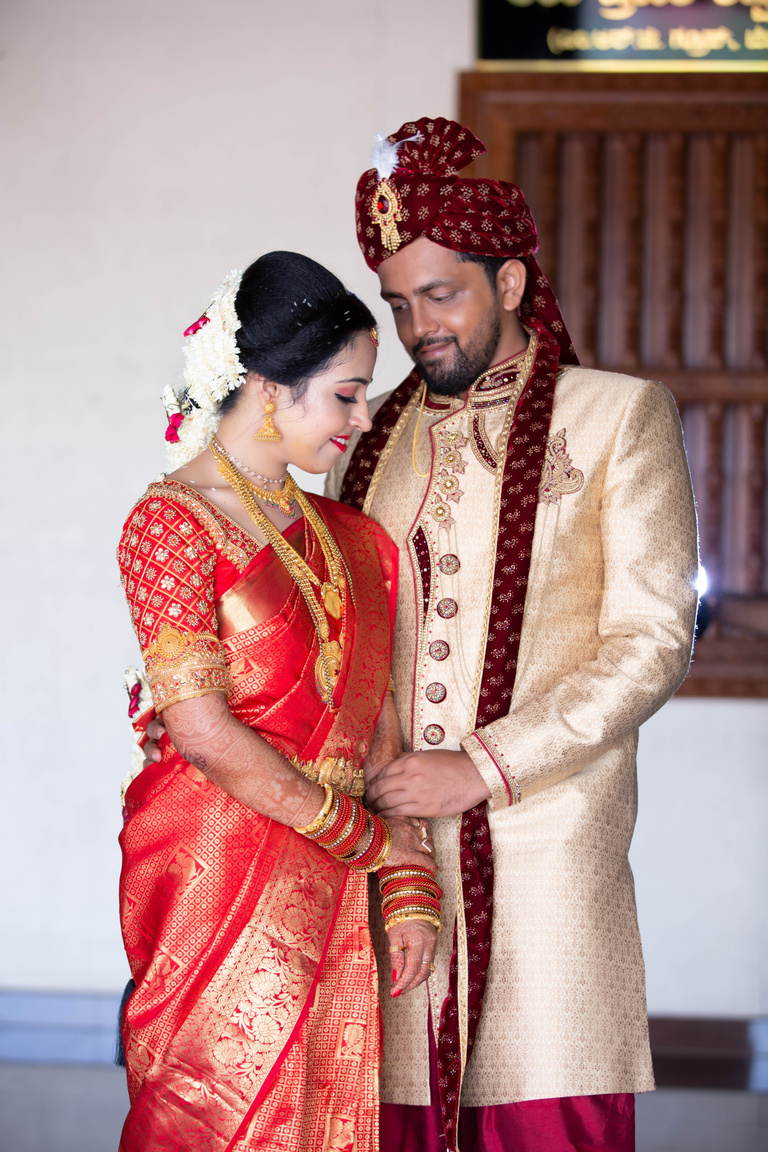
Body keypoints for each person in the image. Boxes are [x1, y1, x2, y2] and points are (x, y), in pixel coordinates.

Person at [323, 118, 699, 1151]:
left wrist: (482, 766)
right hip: (393, 859)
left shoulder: (618, 416)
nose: (418, 328)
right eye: (400, 305)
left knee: (547, 1121)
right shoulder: (367, 446)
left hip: (545, 848)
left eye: (442, 294)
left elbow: (652, 637)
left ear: (515, 282)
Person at [116, 251, 441, 1152]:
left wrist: (407, 882)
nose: (364, 417)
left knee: (325, 1114)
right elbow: (205, 733)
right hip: (217, 865)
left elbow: (379, 730)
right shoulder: (169, 525)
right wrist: (366, 840)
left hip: (336, 872)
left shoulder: (357, 540)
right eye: (345, 394)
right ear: (268, 387)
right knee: (215, 1113)